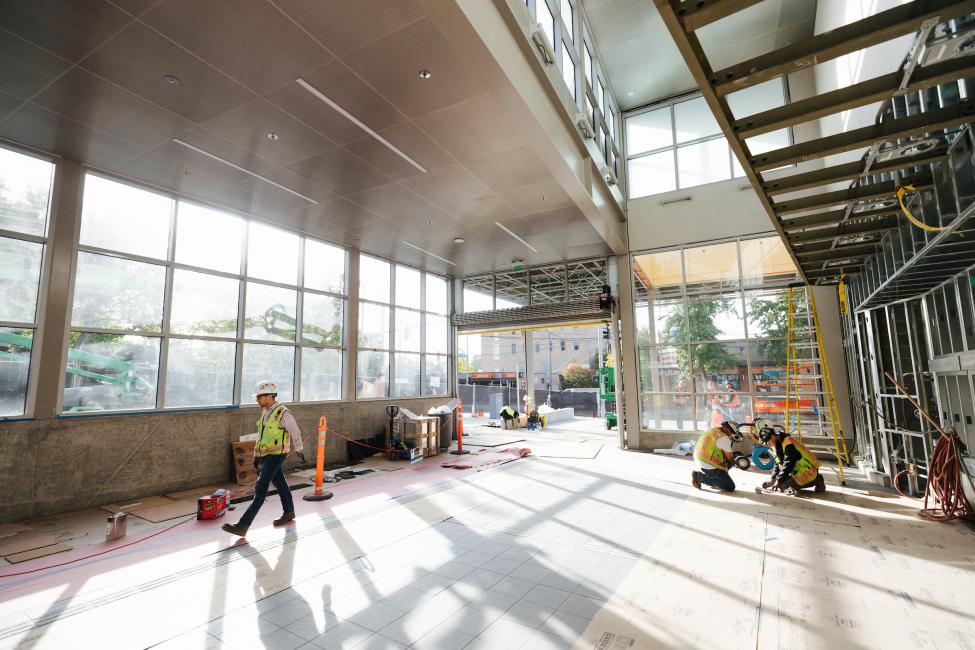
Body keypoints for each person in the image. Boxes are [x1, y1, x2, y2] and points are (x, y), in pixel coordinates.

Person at [223, 381, 305, 537]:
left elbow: (295, 431)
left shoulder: (283, 413)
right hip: (266, 456)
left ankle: (243, 525)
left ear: (270, 396)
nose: (257, 400)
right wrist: (256, 455)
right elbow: (261, 436)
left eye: (260, 397)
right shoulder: (266, 412)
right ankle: (289, 512)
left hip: (277, 455)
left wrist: (299, 451)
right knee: (280, 483)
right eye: (257, 397)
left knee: (260, 489)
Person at [757, 424, 826, 495]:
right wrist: (773, 479)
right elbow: (777, 463)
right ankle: (813, 479)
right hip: (798, 471)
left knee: (784, 486)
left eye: (768, 441)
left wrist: (779, 480)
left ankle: (816, 480)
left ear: (772, 436)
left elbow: (789, 462)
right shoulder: (776, 445)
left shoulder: (788, 443)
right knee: (781, 484)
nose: (768, 444)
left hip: (808, 471)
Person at [691, 420, 743, 492]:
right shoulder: (724, 438)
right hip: (707, 464)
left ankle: (718, 476)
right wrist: (735, 461)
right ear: (727, 429)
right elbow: (729, 457)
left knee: (727, 460)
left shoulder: (714, 430)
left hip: (698, 458)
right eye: (732, 433)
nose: (732, 435)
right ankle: (699, 477)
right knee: (730, 486)